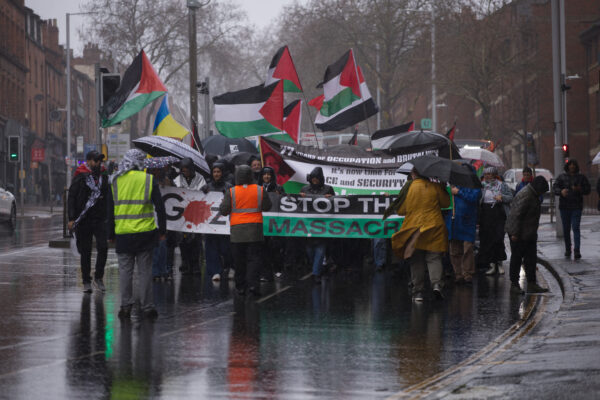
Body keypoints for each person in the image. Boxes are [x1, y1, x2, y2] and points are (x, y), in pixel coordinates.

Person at [108, 149, 166, 320]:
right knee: (145, 272)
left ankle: (125, 306)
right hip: (145, 233)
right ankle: (148, 307)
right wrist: (162, 230)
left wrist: (110, 233)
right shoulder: (148, 179)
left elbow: (109, 210)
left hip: (123, 233)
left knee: (125, 272)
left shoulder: (115, 180)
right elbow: (160, 207)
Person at [391, 168, 450, 301]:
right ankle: (436, 284)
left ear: (413, 174)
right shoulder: (435, 186)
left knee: (416, 259)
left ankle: (418, 292)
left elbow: (400, 210)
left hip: (414, 228)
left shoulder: (408, 188)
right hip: (434, 226)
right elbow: (446, 204)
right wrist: (442, 187)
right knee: (434, 257)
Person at [219, 165, 272, 296]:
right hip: (255, 230)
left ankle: (240, 286)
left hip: (237, 232)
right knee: (254, 260)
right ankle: (253, 285)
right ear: (251, 175)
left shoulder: (231, 192)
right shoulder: (260, 190)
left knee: (239, 260)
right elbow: (267, 206)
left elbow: (224, 211)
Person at [68, 150, 109, 293]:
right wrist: (71, 218)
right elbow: (72, 197)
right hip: (84, 218)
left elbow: (108, 196)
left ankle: (98, 277)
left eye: (100, 161)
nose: (99, 163)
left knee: (103, 247)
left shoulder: (104, 176)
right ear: (89, 161)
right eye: (96, 160)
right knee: (85, 251)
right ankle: (86, 280)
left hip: (99, 218)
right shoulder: (80, 175)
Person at [505, 176, 550, 294]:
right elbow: (516, 215)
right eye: (542, 191)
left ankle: (532, 283)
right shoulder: (526, 195)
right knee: (517, 258)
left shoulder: (533, 194)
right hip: (519, 233)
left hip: (529, 233)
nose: (542, 194)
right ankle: (514, 285)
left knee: (531, 259)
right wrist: (515, 233)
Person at [445, 167, 481, 284]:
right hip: (454, 221)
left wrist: (459, 192)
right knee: (454, 250)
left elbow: (474, 197)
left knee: (467, 249)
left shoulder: (474, 185)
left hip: (467, 221)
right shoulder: (452, 184)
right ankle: (458, 273)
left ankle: (467, 273)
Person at [300, 167, 335, 284]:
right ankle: (318, 268)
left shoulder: (328, 189)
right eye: (313, 178)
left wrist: (331, 199)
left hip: (323, 225)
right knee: (309, 250)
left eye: (317, 178)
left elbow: (336, 205)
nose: (315, 180)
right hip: (308, 225)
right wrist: (300, 198)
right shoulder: (304, 189)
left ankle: (316, 274)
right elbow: (298, 206)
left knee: (320, 249)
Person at [201, 162, 233, 282]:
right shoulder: (206, 187)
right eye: (214, 172)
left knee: (226, 249)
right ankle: (215, 271)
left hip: (225, 226)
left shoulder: (229, 187)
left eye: (218, 172)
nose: (216, 174)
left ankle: (229, 267)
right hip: (210, 225)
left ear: (222, 173)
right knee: (211, 249)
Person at [553, 159, 591, 259]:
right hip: (564, 207)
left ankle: (577, 250)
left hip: (576, 206)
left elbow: (588, 190)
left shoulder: (581, 177)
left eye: (574, 165)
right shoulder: (561, 177)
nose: (572, 166)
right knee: (566, 229)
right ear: (568, 166)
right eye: (570, 165)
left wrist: (579, 189)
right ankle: (568, 249)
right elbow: (555, 188)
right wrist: (561, 191)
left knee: (575, 227)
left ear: (576, 166)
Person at [174, 157, 206, 274]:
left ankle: (195, 264)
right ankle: (185, 262)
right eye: (183, 170)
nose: (184, 172)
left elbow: (202, 192)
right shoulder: (178, 179)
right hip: (182, 216)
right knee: (183, 241)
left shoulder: (200, 178)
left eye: (186, 169)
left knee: (196, 241)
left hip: (195, 215)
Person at [479, 166, 513, 275]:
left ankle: (500, 263)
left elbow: (510, 197)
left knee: (498, 238)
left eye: (489, 174)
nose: (487, 176)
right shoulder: (482, 186)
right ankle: (492, 264)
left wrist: (501, 197)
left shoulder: (501, 185)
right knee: (488, 240)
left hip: (499, 214)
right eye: (485, 174)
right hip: (486, 214)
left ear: (494, 175)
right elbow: (479, 199)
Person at [259, 166, 286, 281]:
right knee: (263, 248)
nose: (266, 176)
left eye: (269, 174)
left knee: (275, 247)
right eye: (264, 174)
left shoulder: (278, 187)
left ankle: (277, 268)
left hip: (275, 222)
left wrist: (280, 195)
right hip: (261, 222)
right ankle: (265, 272)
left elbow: (286, 202)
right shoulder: (257, 187)